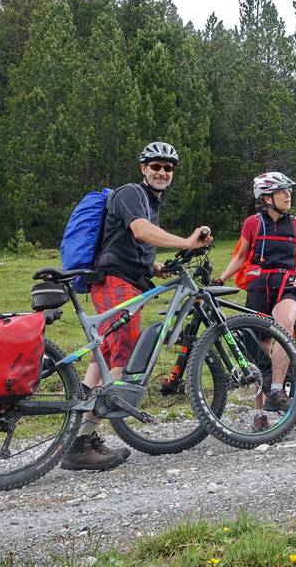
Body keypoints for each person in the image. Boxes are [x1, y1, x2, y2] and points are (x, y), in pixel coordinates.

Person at [61, 141, 214, 471]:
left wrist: (155, 267)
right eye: (155, 166)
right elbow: (140, 231)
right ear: (143, 168)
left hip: (126, 280)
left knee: (105, 355)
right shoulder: (131, 193)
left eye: (168, 168)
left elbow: (129, 242)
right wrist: (186, 242)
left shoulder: (149, 201)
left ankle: (76, 429)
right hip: (115, 281)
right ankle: (82, 443)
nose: (162, 172)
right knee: (124, 353)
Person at [217, 172, 296, 431]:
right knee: (254, 350)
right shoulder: (253, 223)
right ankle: (259, 414)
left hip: (288, 286)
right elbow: (241, 257)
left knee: (284, 327)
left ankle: (276, 389)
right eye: (282, 191)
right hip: (260, 287)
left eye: (289, 191)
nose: (288, 195)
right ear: (266, 198)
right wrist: (222, 278)